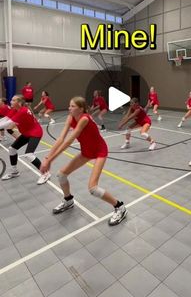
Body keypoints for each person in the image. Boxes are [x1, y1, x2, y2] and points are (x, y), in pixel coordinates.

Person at [40, 96, 127, 225]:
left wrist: (51, 160)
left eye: (73, 106)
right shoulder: (70, 118)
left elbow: (69, 140)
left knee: (93, 188)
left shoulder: (84, 119)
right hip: (86, 151)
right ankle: (68, 200)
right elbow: (61, 139)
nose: (69, 108)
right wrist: (47, 158)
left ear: (81, 109)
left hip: (99, 151)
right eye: (69, 106)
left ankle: (120, 207)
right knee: (61, 175)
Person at [0, 95, 51, 183]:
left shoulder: (22, 111)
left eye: (13, 100)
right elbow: (6, 118)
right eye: (11, 100)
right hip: (26, 133)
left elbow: (8, 124)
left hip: (35, 133)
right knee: (12, 149)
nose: (11, 101)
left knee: (29, 154)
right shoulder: (16, 109)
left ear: (19, 103)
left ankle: (45, 173)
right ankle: (14, 171)